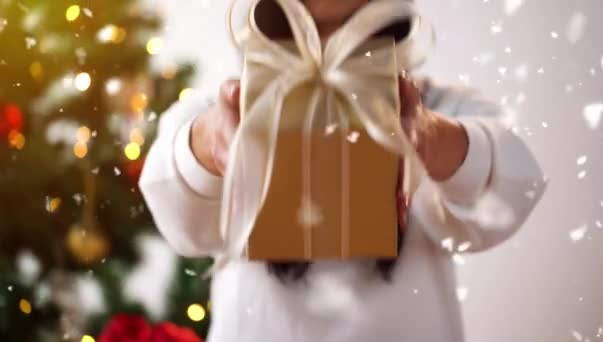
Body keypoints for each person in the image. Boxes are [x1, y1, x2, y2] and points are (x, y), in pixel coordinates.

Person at [139, 0, 547, 341]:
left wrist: (428, 138)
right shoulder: (229, 108)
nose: (327, 49)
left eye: (353, 28)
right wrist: (214, 143)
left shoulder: (435, 105)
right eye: (308, 29)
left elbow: (512, 187)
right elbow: (179, 215)